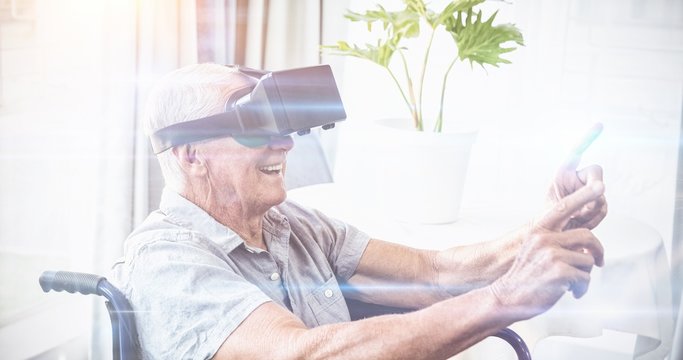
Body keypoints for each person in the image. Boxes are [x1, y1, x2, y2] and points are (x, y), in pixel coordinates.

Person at [111, 63, 607, 359]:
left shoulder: (292, 224)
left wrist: (542, 228)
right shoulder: (168, 261)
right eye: (255, 124)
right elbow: (302, 356)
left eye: (281, 123)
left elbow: (432, 274)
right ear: (190, 154)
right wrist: (505, 298)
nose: (284, 142)